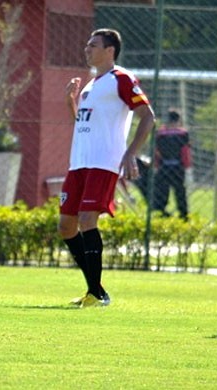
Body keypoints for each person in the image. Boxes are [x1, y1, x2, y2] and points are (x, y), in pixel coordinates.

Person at [59, 28, 155, 308]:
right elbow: (82, 124)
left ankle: (95, 294)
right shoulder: (91, 84)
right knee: (66, 226)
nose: (87, 49)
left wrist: (130, 154)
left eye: (93, 45)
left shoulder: (121, 78)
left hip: (103, 162)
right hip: (79, 163)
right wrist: (71, 102)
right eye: (87, 45)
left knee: (88, 220)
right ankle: (96, 290)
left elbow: (147, 116)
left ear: (110, 50)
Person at [152, 109, 191, 219]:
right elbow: (185, 151)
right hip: (178, 166)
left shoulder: (160, 134)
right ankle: (183, 213)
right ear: (178, 120)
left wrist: (156, 164)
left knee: (162, 190)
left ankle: (161, 211)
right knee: (180, 190)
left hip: (164, 166)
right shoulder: (183, 134)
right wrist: (187, 165)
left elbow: (156, 151)